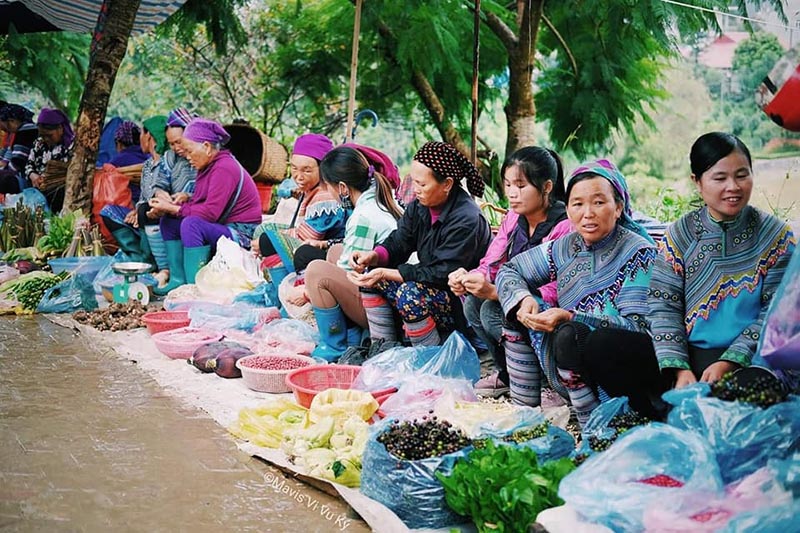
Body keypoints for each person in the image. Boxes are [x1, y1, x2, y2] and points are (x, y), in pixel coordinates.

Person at [496, 159, 660, 424]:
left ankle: (596, 424)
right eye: (578, 204)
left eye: (598, 202)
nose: (588, 213)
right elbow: (510, 270)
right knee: (515, 310)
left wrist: (573, 317)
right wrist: (524, 300)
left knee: (571, 335)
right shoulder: (565, 247)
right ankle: (523, 417)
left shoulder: (638, 252)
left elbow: (639, 327)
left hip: (626, 364)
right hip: (577, 350)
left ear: (618, 207)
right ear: (568, 209)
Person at [648, 132, 796, 389]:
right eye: (720, 178)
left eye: (742, 175)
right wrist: (680, 368)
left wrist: (731, 360)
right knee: (608, 346)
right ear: (697, 181)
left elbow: (776, 314)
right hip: (693, 354)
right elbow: (664, 304)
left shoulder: (775, 236)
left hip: (755, 356)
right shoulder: (680, 235)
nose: (733, 187)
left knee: (753, 386)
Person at [448, 146, 572, 399]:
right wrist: (472, 278)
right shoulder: (515, 219)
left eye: (521, 185)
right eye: (508, 185)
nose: (512, 194)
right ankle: (508, 373)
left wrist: (497, 293)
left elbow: (559, 286)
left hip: (548, 306)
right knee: (473, 303)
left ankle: (546, 380)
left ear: (547, 187)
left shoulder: (564, 226)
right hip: (514, 297)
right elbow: (492, 261)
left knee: (491, 310)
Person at [349, 141, 492, 347]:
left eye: (422, 184)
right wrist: (373, 256)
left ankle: (429, 359)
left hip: (462, 302)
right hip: (431, 286)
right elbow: (400, 240)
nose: (415, 190)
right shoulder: (420, 206)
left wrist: (385, 273)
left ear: (447, 184)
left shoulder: (467, 219)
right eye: (414, 182)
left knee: (410, 295)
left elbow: (440, 273)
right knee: (370, 278)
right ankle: (382, 347)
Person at [305, 145, 403, 360]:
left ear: (342, 187)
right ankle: (354, 334)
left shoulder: (363, 217)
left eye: (327, 187)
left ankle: (333, 347)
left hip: (387, 311)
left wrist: (304, 292)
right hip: (393, 293)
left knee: (315, 272)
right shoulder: (379, 199)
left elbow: (348, 271)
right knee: (335, 251)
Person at [148, 118, 261, 294]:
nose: (186, 156)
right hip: (222, 225)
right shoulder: (208, 166)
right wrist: (183, 200)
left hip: (241, 234)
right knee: (169, 221)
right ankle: (178, 280)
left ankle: (196, 287)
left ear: (207, 147)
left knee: (190, 224)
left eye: (189, 151)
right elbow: (203, 202)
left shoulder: (224, 168)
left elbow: (209, 213)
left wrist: (173, 208)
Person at [251, 133, 346, 284]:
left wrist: (265, 241)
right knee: (263, 230)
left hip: (329, 253)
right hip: (312, 242)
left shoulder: (326, 197)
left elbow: (307, 236)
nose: (298, 177)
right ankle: (274, 284)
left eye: (307, 170)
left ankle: (281, 290)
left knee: (267, 239)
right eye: (294, 168)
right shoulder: (312, 189)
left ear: (323, 168)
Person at [100, 115, 168, 275]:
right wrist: (136, 210)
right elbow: (144, 196)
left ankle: (150, 263)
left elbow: (165, 196)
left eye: (142, 134)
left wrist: (141, 209)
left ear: (149, 136)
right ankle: (136, 258)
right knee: (108, 212)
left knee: (146, 209)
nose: (140, 139)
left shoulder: (168, 163)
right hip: (144, 214)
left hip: (161, 216)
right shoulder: (147, 165)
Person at [24, 108, 74, 212]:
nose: (46, 139)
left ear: (60, 129)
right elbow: (29, 164)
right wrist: (33, 175)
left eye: (49, 135)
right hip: (39, 187)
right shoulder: (39, 143)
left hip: (60, 190)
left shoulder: (72, 146)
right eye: (42, 135)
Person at [0, 104, 38, 194]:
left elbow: (18, 162)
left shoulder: (25, 131)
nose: (1, 127)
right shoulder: (26, 129)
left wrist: (4, 170)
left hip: (28, 178)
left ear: (12, 121)